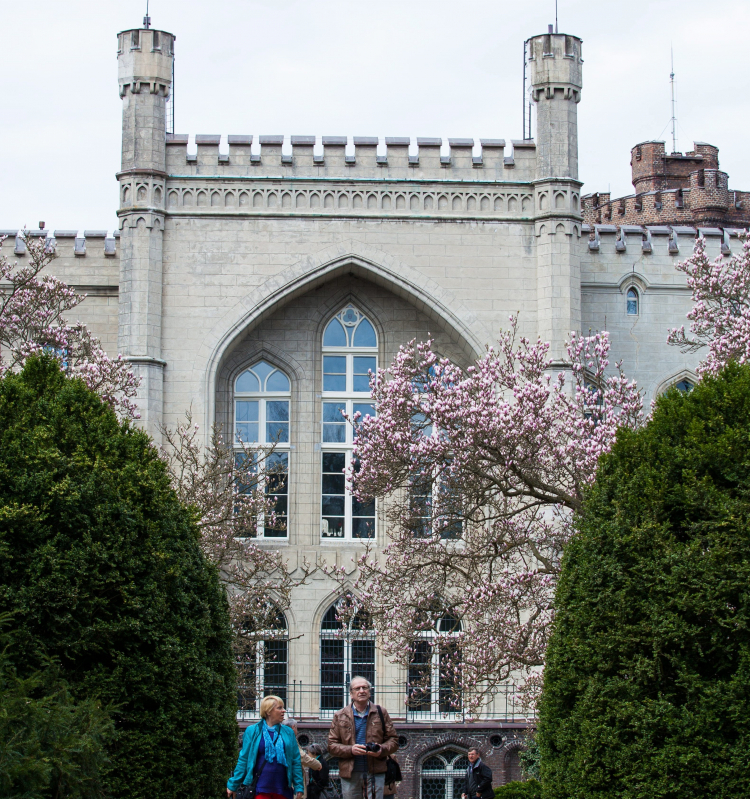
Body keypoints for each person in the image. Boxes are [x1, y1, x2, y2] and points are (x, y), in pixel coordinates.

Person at [328, 676, 399, 799]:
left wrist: (381, 749)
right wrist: (351, 750)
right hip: (350, 773)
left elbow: (394, 740)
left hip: (376, 771)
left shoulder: (381, 712)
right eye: (357, 688)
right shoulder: (340, 715)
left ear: (369, 692)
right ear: (351, 694)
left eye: (365, 688)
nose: (362, 691)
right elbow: (331, 746)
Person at [227, 695, 304, 799]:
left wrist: (299, 786)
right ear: (268, 711)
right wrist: (233, 784)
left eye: (283, 708)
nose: (284, 711)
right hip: (259, 789)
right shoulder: (252, 731)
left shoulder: (288, 732)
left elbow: (295, 761)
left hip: (283, 789)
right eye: (279, 708)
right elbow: (244, 759)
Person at [283, 717, 323, 797]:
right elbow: (301, 756)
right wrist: (316, 764)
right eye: (297, 728)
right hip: (292, 779)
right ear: (293, 727)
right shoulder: (290, 739)